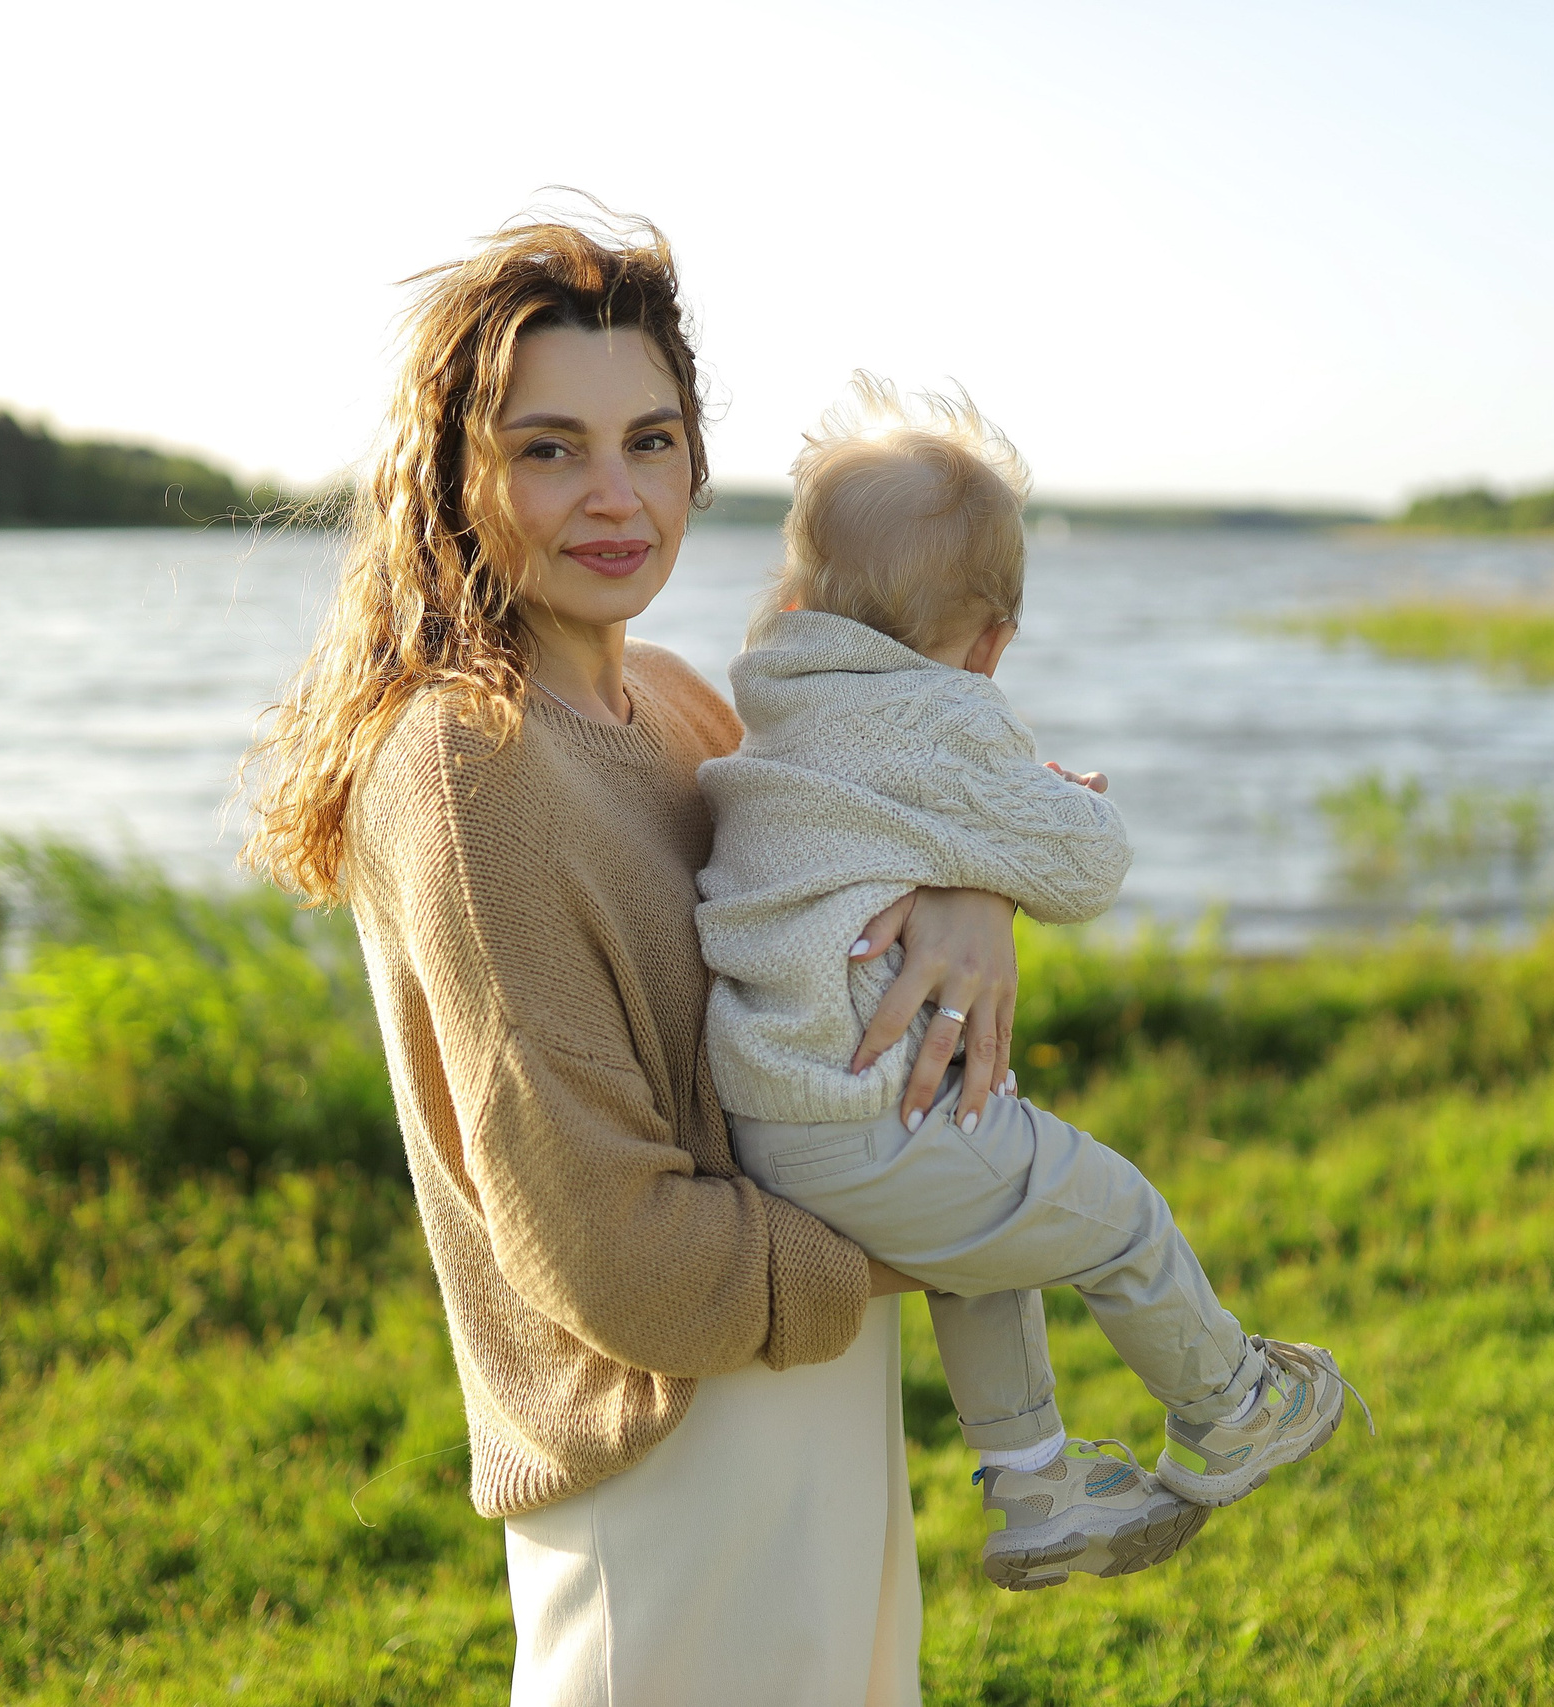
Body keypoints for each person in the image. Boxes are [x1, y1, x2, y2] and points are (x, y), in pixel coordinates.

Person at [240, 216, 1029, 1705]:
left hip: (811, 1378)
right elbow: (611, 1250)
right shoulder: (462, 774)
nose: (614, 496)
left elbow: (889, 858)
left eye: (649, 440)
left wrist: (977, 895)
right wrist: (937, 1234)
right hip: (663, 1447)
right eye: (550, 450)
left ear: (693, 464)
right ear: (456, 477)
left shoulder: (675, 699)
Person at [697, 378, 1367, 1593]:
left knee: (985, 1238)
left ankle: (1038, 1485)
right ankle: (1227, 1407)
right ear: (991, 642)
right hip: (870, 1119)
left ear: (795, 603)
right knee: (1119, 1213)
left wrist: (974, 849)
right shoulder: (949, 713)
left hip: (773, 1117)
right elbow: (1084, 864)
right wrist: (1061, 803)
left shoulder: (773, 704)